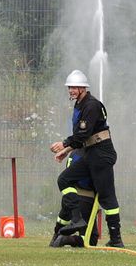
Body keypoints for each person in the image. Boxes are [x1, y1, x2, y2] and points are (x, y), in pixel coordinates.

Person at [49, 69, 123, 248]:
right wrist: (67, 151)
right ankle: (77, 219)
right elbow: (83, 138)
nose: (71, 91)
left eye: (74, 87)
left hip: (101, 155)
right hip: (90, 153)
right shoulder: (80, 104)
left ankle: (116, 239)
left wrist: (64, 144)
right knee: (64, 180)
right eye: (69, 88)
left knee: (107, 198)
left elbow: (83, 134)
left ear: (83, 88)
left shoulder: (91, 105)